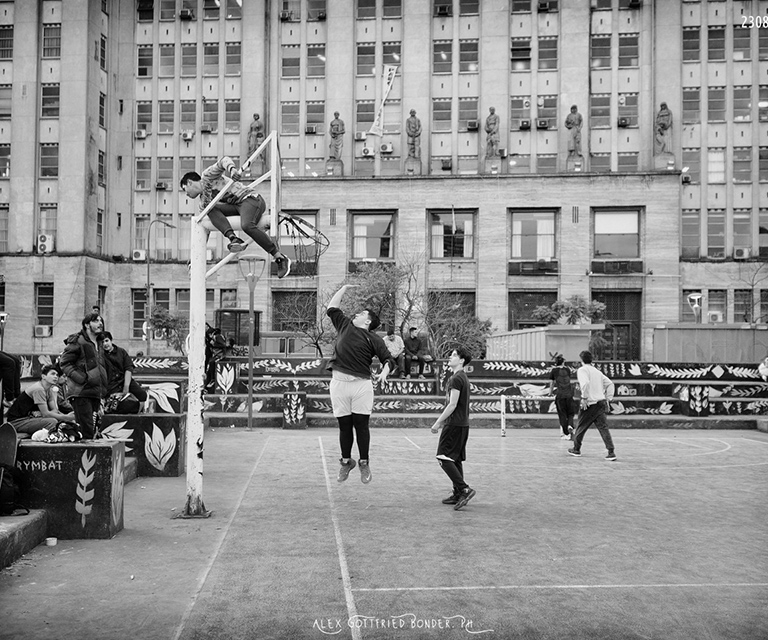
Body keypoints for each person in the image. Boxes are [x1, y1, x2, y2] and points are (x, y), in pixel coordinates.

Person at [326, 284, 393, 484]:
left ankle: (364, 462)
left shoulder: (374, 339)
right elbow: (332, 308)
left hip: (361, 385)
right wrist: (344, 288)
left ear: (368, 321)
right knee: (344, 426)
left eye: (362, 313)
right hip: (339, 383)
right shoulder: (345, 325)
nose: (357, 313)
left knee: (361, 425)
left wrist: (384, 373)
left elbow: (388, 359)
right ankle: (346, 461)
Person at [181, 157, 292, 278]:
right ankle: (233, 238)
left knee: (247, 225)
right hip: (235, 207)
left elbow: (223, 160)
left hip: (249, 199)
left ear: (189, 183)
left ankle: (279, 257)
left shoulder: (207, 176)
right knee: (209, 210)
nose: (186, 194)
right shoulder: (203, 202)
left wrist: (232, 170)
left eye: (185, 189)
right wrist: (195, 258)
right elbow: (204, 229)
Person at [430, 347, 476, 511]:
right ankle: (458, 493)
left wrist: (438, 423)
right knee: (455, 459)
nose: (450, 357)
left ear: (462, 360)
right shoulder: (463, 377)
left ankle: (464, 488)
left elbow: (452, 404)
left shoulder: (456, 379)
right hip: (463, 424)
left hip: (454, 424)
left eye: (455, 355)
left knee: (443, 457)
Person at [58, 312, 108, 439]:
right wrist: (81, 378)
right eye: (96, 321)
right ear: (87, 324)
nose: (100, 323)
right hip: (81, 393)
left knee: (93, 430)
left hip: (95, 392)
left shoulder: (100, 342)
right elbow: (64, 362)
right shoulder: (78, 341)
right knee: (86, 431)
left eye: (101, 321)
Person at [568, 350, 617, 461]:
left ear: (581, 360)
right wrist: (608, 398)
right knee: (603, 428)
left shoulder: (582, 370)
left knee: (581, 426)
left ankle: (576, 449)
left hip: (590, 403)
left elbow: (584, 384)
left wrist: (584, 398)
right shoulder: (597, 372)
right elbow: (610, 384)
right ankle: (611, 451)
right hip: (601, 403)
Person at [6, 365, 77, 435]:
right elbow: (46, 414)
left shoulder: (49, 389)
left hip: (31, 418)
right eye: (52, 374)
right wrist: (66, 417)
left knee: (64, 421)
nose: (56, 376)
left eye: (57, 375)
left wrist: (68, 417)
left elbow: (55, 410)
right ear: (43, 376)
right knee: (52, 421)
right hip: (17, 422)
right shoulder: (39, 389)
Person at [102, 331, 148, 406]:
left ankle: (138, 415)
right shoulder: (100, 355)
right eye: (102, 342)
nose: (105, 344)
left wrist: (126, 387)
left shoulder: (121, 352)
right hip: (111, 385)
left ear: (111, 340)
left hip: (124, 380)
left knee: (142, 395)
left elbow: (128, 369)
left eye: (106, 341)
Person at [549, 355, 575, 440]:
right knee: (570, 413)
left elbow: (552, 383)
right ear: (563, 362)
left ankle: (566, 433)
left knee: (562, 414)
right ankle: (570, 425)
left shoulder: (554, 371)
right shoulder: (567, 370)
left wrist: (550, 392)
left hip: (560, 395)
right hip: (569, 395)